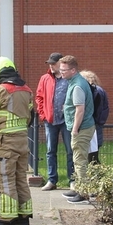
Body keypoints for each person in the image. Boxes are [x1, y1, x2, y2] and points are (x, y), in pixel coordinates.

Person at [0, 58, 35, 225]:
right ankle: (24, 215)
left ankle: (7, 218)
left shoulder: (3, 90)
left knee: (6, 178)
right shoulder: (27, 89)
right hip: (22, 139)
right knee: (20, 177)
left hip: (7, 141)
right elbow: (31, 115)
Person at [57, 56, 95, 203]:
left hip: (81, 128)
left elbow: (80, 110)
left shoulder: (77, 85)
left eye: (64, 70)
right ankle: (79, 189)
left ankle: (83, 193)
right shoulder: (75, 81)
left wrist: (74, 129)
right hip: (83, 126)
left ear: (73, 70)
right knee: (78, 158)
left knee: (79, 160)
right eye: (60, 69)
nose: (61, 72)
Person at [34, 52, 74, 190]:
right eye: (50, 63)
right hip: (50, 120)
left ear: (60, 63)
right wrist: (43, 114)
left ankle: (72, 180)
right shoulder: (45, 78)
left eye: (53, 63)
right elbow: (39, 97)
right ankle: (52, 180)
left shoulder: (68, 78)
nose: (51, 66)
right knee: (51, 151)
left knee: (70, 150)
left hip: (66, 120)